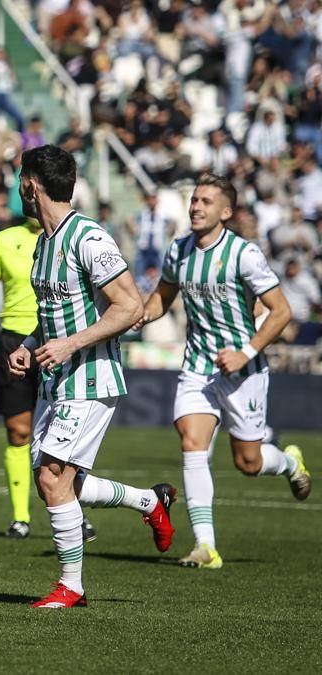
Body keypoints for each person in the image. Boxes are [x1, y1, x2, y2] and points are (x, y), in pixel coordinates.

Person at [7, 145, 176, 609]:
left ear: (31, 184)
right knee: (63, 482)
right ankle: (149, 502)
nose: (17, 187)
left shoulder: (90, 238)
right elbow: (55, 314)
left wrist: (70, 344)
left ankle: (72, 587)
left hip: (91, 377)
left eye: (20, 178)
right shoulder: (44, 243)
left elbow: (130, 306)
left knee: (52, 480)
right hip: (57, 380)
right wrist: (28, 345)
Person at [134, 174, 311, 569]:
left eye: (206, 202)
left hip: (242, 369)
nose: (196, 207)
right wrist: (143, 314)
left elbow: (281, 311)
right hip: (198, 365)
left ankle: (290, 464)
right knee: (191, 441)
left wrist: (245, 353)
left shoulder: (243, 254)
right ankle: (206, 546)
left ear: (226, 212)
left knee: (247, 463)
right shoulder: (177, 249)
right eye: (194, 200)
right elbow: (164, 296)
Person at [0, 215, 43, 538]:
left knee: (66, 430)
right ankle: (20, 517)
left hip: (58, 340)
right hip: (13, 339)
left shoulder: (71, 236)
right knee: (18, 431)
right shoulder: (3, 240)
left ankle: (73, 511)